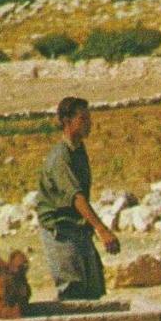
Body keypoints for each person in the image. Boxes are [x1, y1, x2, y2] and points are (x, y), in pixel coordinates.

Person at [35, 96, 120, 300]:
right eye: (83, 119)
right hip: (60, 230)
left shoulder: (78, 150)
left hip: (77, 228)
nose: (89, 123)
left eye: (89, 118)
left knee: (94, 288)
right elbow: (76, 197)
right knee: (73, 290)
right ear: (67, 122)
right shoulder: (61, 157)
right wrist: (102, 229)